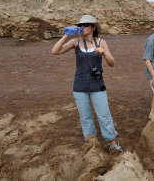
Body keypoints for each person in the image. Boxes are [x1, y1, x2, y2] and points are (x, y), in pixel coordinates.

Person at [51, 15, 122, 152]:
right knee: (85, 116)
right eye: (80, 25)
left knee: (104, 114)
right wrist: (66, 35)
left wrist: (104, 54)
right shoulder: (76, 42)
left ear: (93, 27)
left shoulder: (101, 42)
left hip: (97, 85)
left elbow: (112, 63)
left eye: (85, 25)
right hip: (80, 86)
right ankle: (91, 143)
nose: (82, 28)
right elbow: (55, 51)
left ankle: (113, 143)